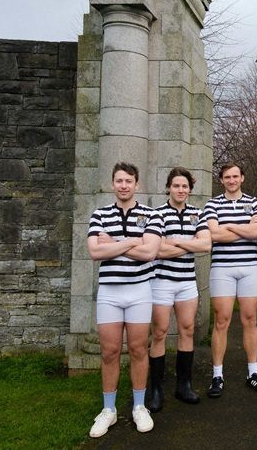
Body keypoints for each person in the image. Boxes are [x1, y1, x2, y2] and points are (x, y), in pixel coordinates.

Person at [86, 162, 162, 438]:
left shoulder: (151, 215)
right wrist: (133, 242)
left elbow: (150, 253)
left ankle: (140, 406)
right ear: (112, 183)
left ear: (137, 184)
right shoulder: (99, 214)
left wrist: (115, 243)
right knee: (109, 352)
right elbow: (95, 252)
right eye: (119, 181)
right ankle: (109, 410)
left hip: (140, 290)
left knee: (140, 349)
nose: (124, 185)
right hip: (110, 291)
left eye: (128, 181)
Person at [202, 163, 257, 397]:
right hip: (222, 268)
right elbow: (214, 234)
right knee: (222, 320)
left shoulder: (256, 203)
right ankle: (217, 375)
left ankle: (253, 373)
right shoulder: (212, 204)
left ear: (242, 177)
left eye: (235, 176)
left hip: (249, 268)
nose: (231, 180)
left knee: (250, 319)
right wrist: (244, 227)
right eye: (227, 177)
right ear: (221, 180)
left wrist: (228, 225)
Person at [147, 167, 212, 412]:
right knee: (160, 332)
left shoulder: (198, 214)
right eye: (176, 186)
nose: (181, 190)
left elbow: (205, 244)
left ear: (190, 189)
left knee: (187, 329)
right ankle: (156, 389)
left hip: (187, 282)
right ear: (168, 188)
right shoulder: (157, 214)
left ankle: (184, 385)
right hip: (161, 281)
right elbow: (156, 250)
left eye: (185, 186)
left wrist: (173, 242)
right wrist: (189, 245)